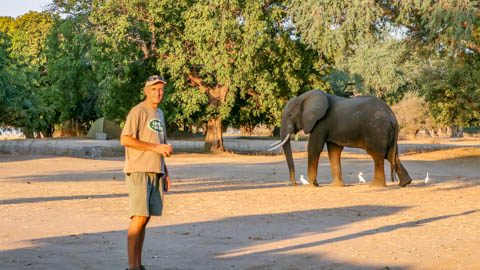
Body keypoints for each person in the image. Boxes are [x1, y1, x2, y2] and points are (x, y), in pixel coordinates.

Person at [120, 75, 173, 270]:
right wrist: (155, 148)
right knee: (139, 216)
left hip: (155, 170)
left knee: (146, 218)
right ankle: (132, 266)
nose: (158, 92)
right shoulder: (138, 111)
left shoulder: (160, 113)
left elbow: (162, 144)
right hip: (138, 169)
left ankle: (138, 264)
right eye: (153, 89)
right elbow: (125, 139)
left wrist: (165, 171)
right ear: (145, 90)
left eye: (160, 89)